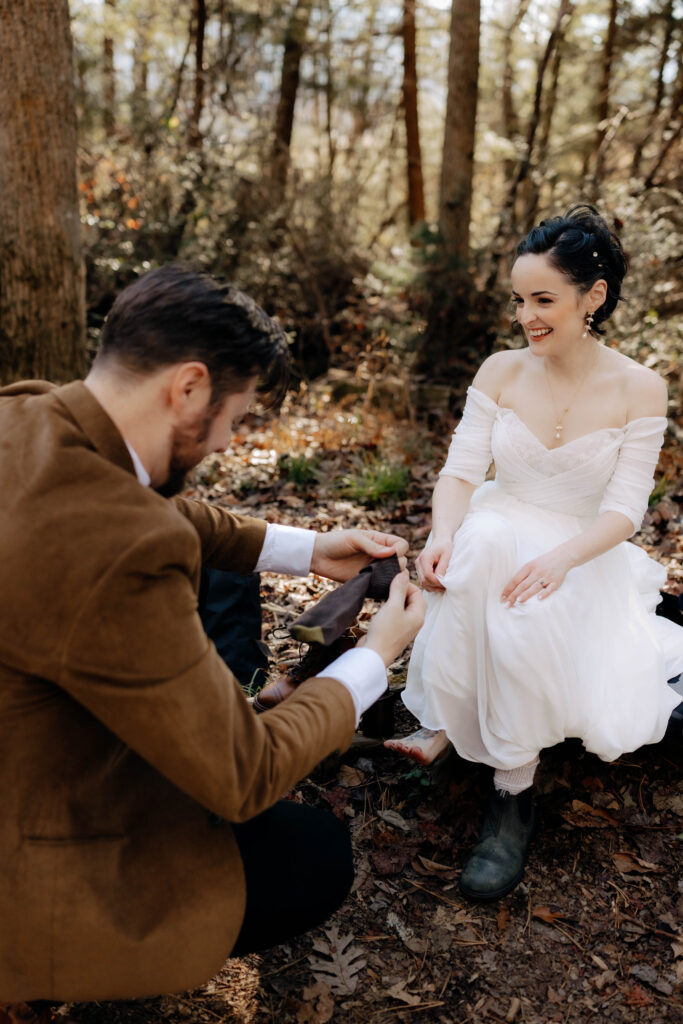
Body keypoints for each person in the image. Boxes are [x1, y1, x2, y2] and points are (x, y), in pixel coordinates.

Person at [0, 265, 425, 1016]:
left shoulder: (28, 415)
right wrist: (373, 657)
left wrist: (309, 547)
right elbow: (244, 770)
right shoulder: (121, 550)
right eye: (234, 414)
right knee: (312, 857)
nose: (228, 440)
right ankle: (64, 976)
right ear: (188, 387)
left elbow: (150, 510)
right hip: (30, 851)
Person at [385, 205, 683, 901]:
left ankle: (510, 793)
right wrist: (441, 535)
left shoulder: (639, 386)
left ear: (594, 297)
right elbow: (461, 474)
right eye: (519, 300)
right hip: (497, 523)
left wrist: (559, 562)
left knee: (518, 607)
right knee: (479, 545)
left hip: (579, 550)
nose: (526, 316)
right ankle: (457, 732)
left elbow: (624, 510)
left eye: (542, 300)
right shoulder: (499, 371)